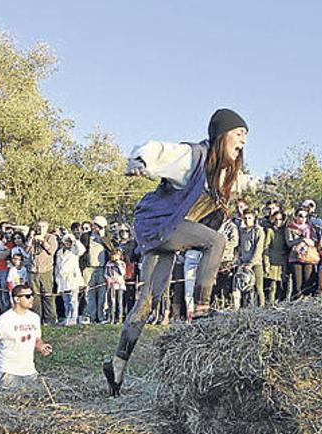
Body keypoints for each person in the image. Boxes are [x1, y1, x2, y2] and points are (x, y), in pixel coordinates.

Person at [105, 108, 248, 397]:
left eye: (246, 136)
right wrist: (139, 162)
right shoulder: (193, 156)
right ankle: (203, 310)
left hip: (167, 233)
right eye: (239, 133)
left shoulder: (223, 174)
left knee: (147, 303)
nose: (243, 140)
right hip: (160, 225)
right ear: (221, 134)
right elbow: (156, 149)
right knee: (216, 242)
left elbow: (240, 187)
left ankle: (117, 364)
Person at [0, 283, 52, 390]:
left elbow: (37, 340)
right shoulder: (2, 321)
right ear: (17, 299)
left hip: (29, 371)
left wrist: (41, 346)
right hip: (8, 373)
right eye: (28, 296)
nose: (32, 298)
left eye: (32, 295)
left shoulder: (34, 318)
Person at [82, 215, 113, 324]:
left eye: (98, 226)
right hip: (89, 267)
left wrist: (103, 238)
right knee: (89, 293)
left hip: (102, 268)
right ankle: (91, 315)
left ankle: (101, 316)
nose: (95, 227)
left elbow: (111, 250)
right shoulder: (86, 236)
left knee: (102, 293)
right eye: (95, 225)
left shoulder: (107, 237)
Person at [27, 221, 58, 325]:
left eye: (43, 226)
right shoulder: (33, 237)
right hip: (33, 270)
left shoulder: (51, 237)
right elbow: (26, 250)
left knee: (47, 295)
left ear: (47, 227)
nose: (40, 228)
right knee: (35, 297)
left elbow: (51, 251)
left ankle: (50, 320)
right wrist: (31, 238)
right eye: (39, 226)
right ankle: (37, 319)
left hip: (46, 270)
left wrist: (43, 240)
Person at [285, 207, 319, 300]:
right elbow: (289, 243)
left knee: (308, 282)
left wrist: (305, 241)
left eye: (305, 216)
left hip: (309, 257)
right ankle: (296, 303)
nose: (303, 218)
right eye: (300, 216)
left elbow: (314, 242)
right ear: (295, 217)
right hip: (295, 258)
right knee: (297, 284)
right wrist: (302, 239)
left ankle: (307, 302)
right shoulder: (290, 229)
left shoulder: (310, 228)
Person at [54, 233, 86, 326]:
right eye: (66, 241)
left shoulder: (74, 250)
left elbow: (82, 250)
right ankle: (67, 318)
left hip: (72, 278)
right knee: (66, 301)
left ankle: (73, 319)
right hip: (62, 279)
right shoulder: (59, 252)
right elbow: (57, 266)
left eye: (69, 241)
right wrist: (57, 278)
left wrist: (75, 240)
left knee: (73, 301)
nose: (67, 243)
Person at [236, 208, 265, 307]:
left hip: (255, 264)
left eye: (249, 218)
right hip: (243, 264)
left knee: (258, 288)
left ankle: (261, 308)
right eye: (245, 218)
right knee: (244, 288)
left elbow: (259, 249)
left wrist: (251, 264)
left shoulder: (258, 231)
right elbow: (240, 247)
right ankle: (245, 309)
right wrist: (240, 261)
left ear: (253, 218)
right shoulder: (242, 231)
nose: (247, 220)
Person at [262, 210, 288, 304]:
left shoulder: (285, 231)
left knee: (282, 286)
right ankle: (271, 304)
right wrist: (266, 263)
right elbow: (266, 248)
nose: (278, 221)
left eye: (280, 219)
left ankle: (282, 304)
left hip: (283, 262)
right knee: (272, 287)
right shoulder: (270, 231)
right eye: (276, 219)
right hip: (272, 261)